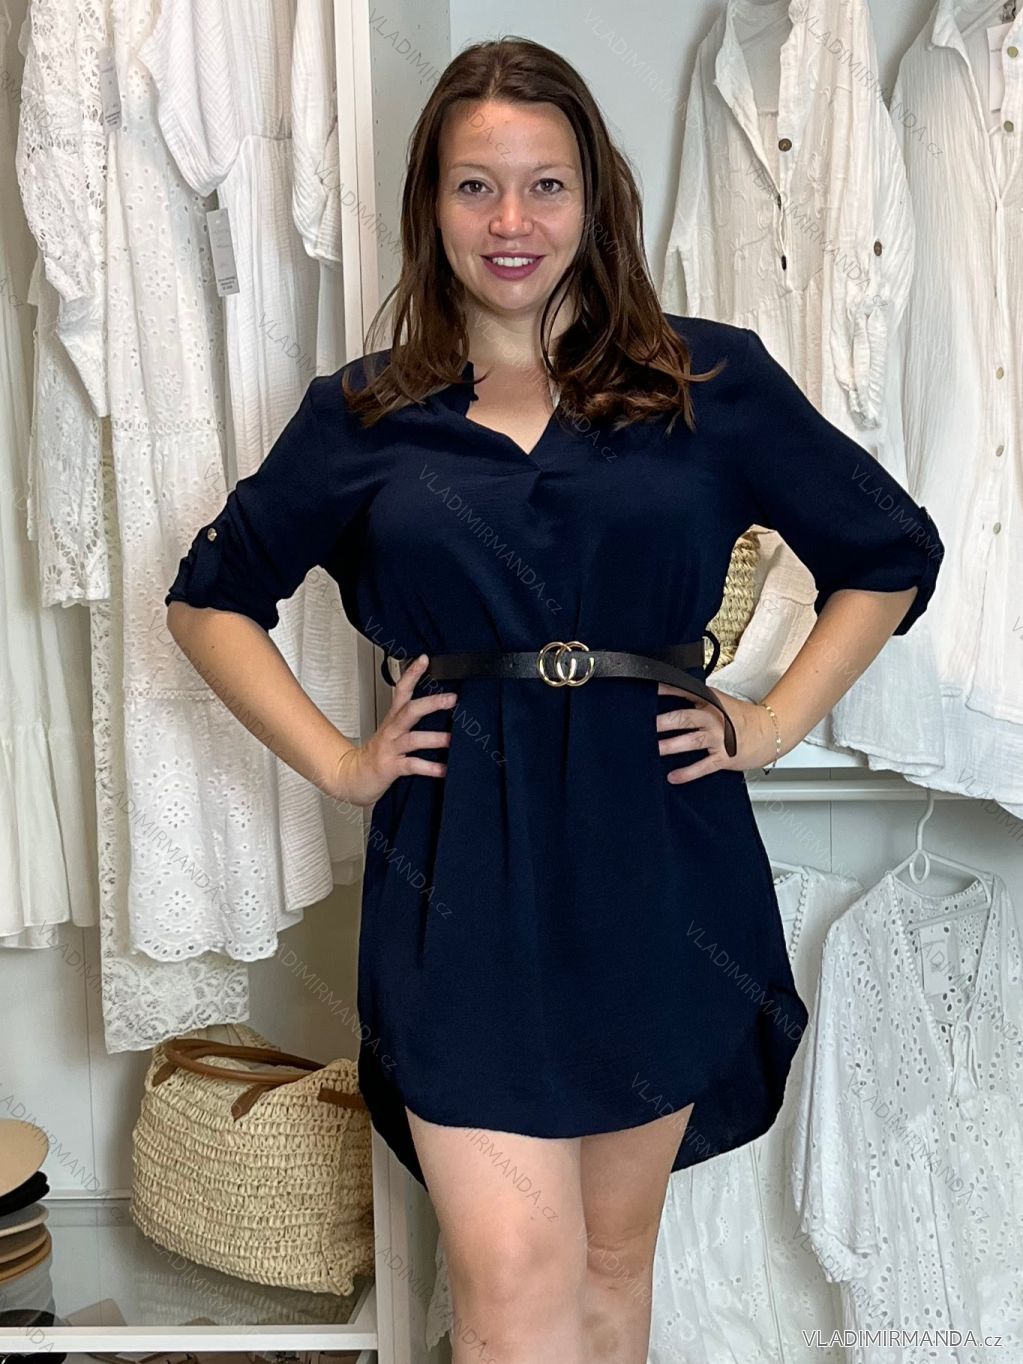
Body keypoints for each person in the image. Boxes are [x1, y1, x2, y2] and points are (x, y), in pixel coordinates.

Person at [165, 35, 944, 1364]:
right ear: (431, 203)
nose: (511, 222)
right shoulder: (362, 416)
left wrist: (770, 723)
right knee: (511, 1277)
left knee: (608, 1264)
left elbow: (888, 553)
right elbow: (207, 599)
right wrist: (343, 763)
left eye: (545, 185)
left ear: (596, 198)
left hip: (657, 852)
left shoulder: (711, 382)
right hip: (457, 864)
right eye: (476, 186)